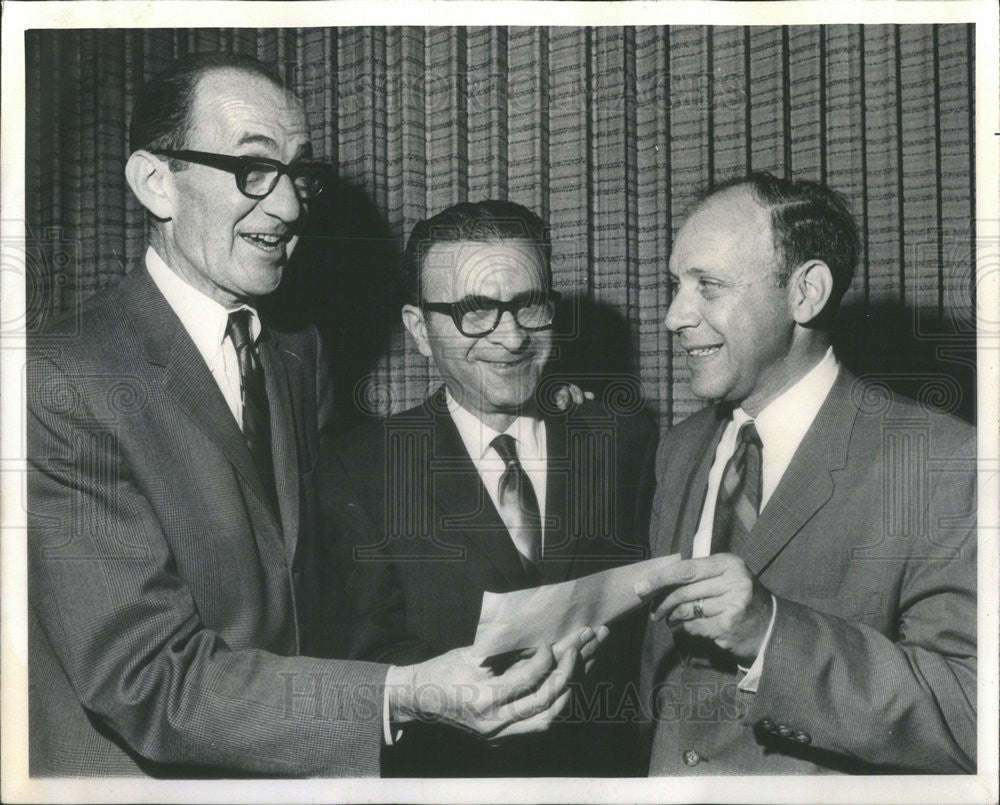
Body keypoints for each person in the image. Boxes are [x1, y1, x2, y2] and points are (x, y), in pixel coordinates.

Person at [26, 53, 599, 778]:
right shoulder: (57, 382)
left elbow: (329, 576)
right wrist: (404, 693)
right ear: (155, 182)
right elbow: (151, 681)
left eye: (299, 174)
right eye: (253, 170)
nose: (293, 205)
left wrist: (531, 416)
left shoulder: (296, 351)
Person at [634, 174, 976, 774]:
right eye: (675, 285)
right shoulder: (680, 450)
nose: (672, 317)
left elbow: (971, 712)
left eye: (707, 287)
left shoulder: (939, 461)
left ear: (806, 292)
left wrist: (771, 634)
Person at [315, 200, 658, 776]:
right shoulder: (359, 468)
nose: (512, 336)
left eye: (530, 306)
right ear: (419, 330)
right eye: (475, 311)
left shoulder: (625, 440)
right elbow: (364, 651)